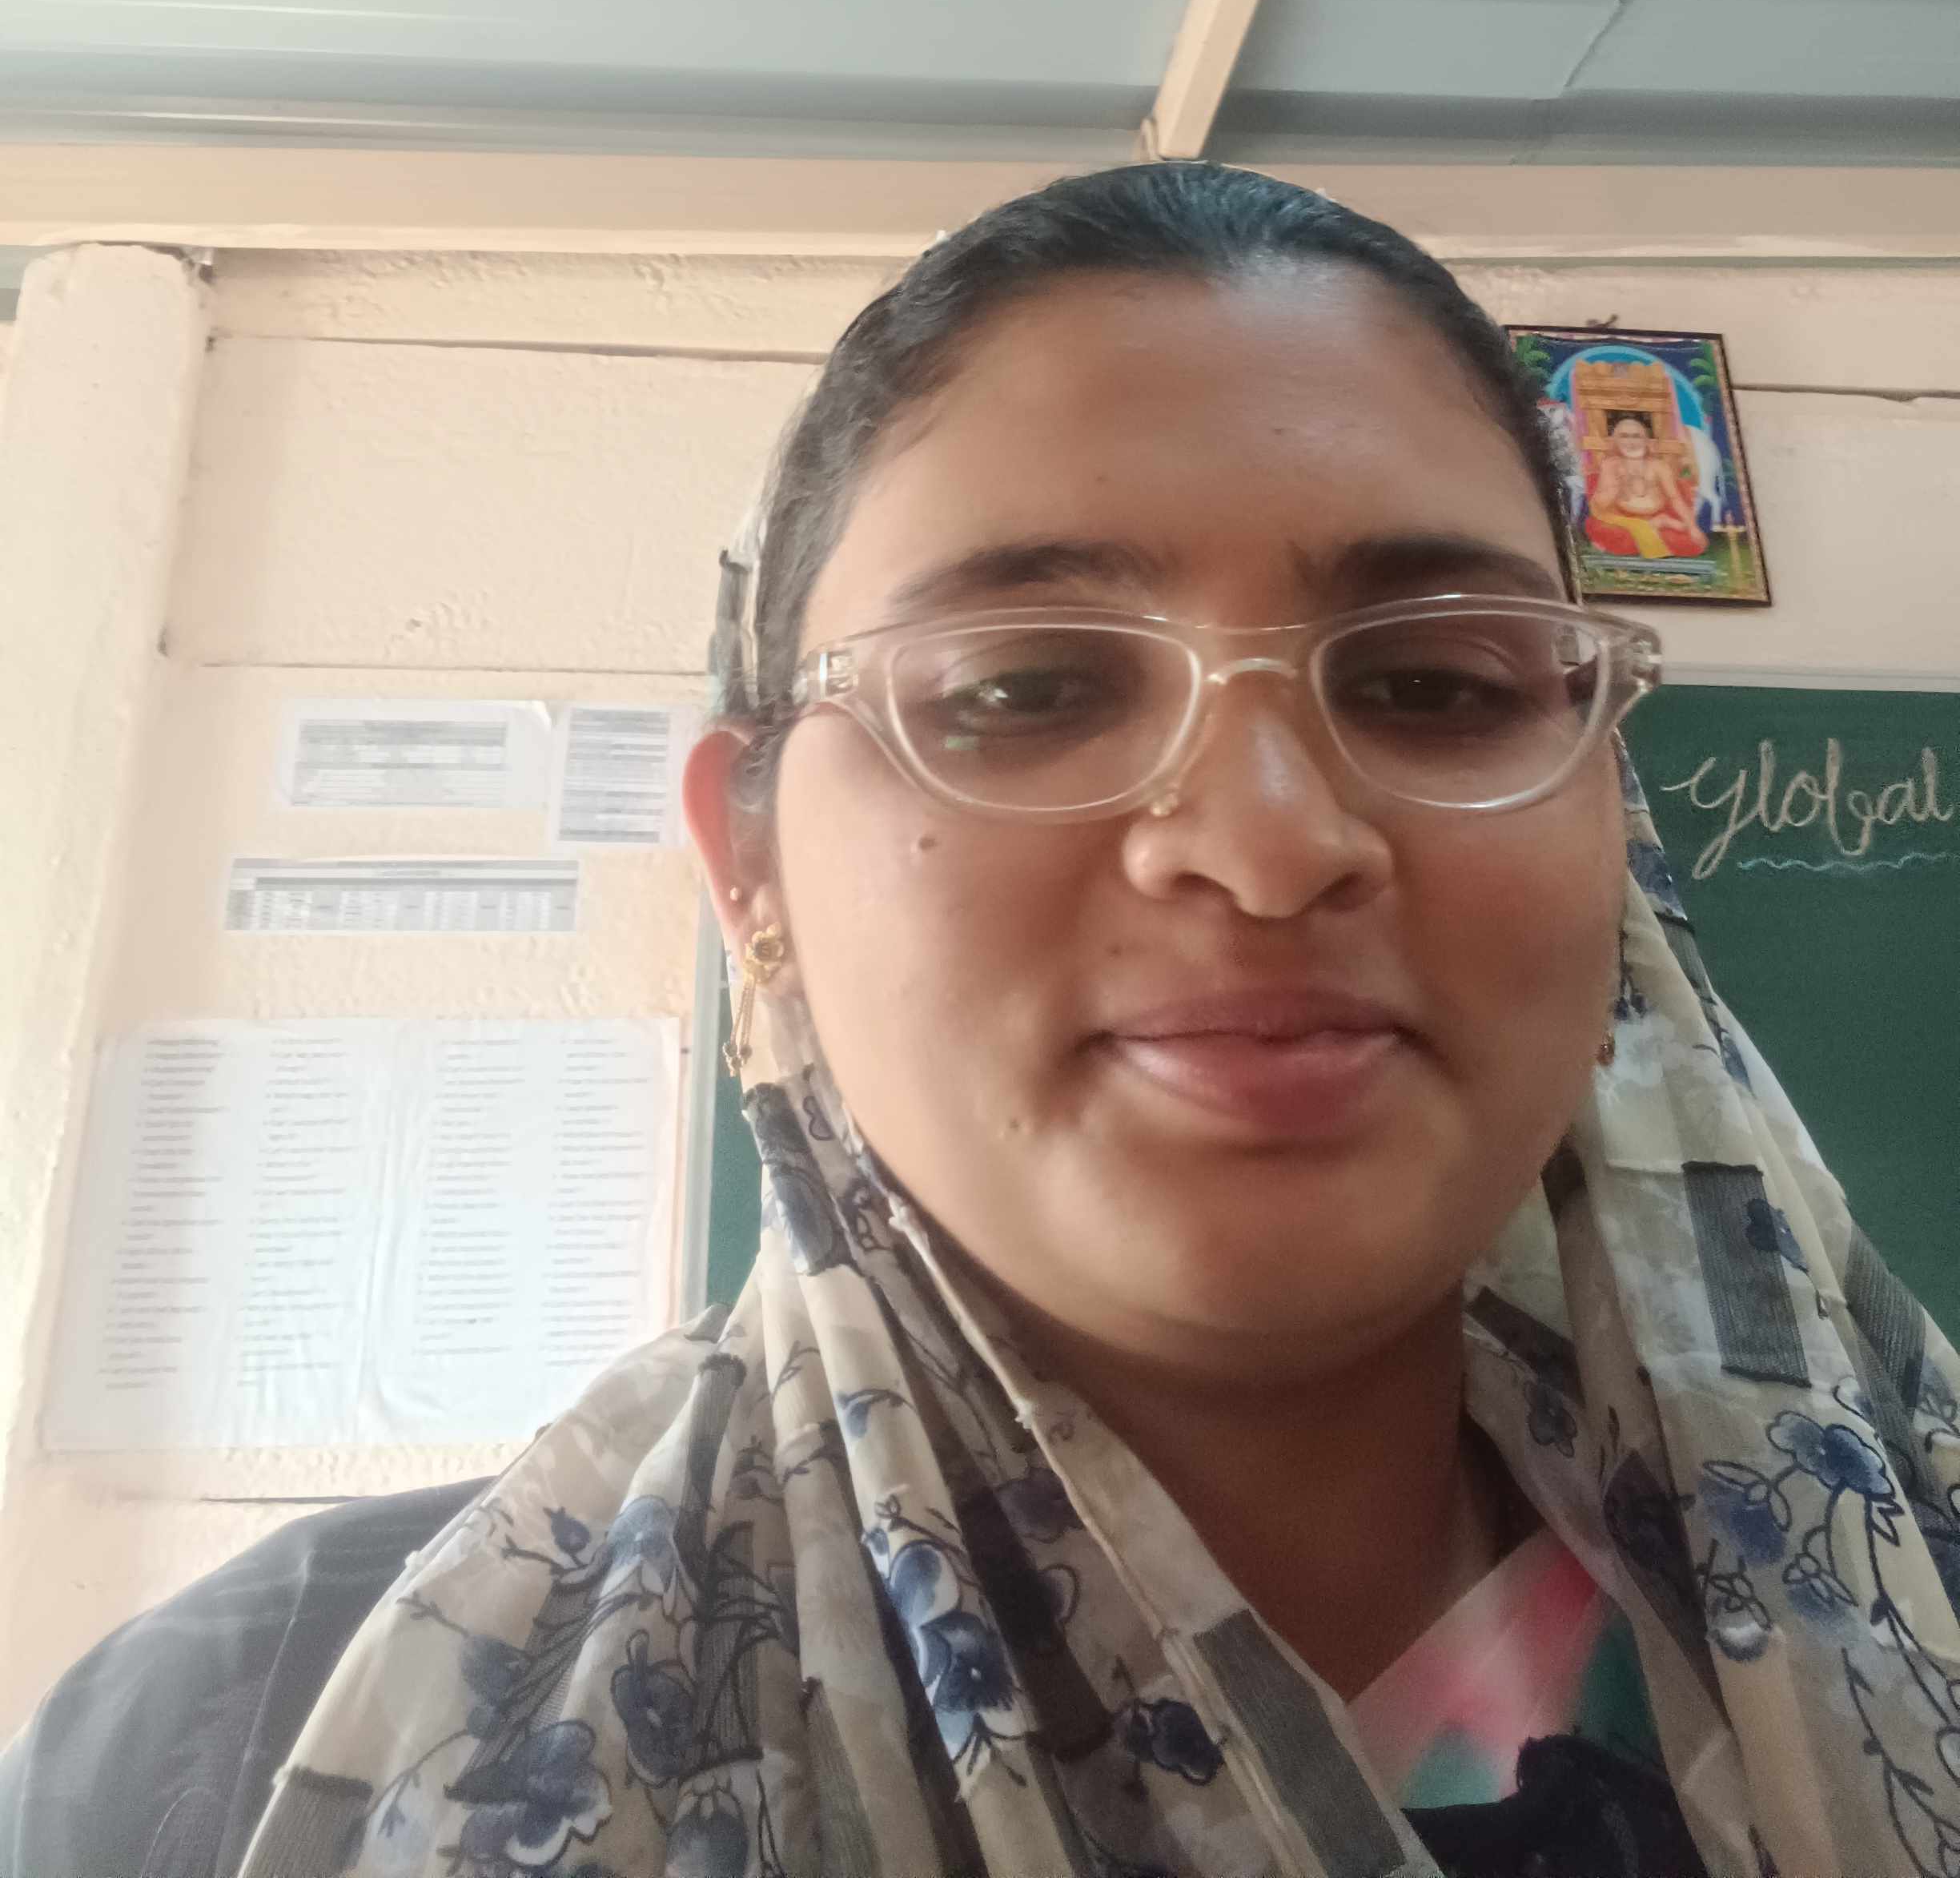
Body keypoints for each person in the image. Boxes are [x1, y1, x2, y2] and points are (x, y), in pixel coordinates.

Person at [5, 163, 1957, 1878]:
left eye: (1438, 683)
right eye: (1024, 689)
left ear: (1611, 816)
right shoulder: (250, 1742)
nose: (1268, 842)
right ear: (750, 865)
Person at [1584, 412, 1708, 561]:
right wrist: (1614, 487)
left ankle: (1659, 524)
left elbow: (1676, 499)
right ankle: (1656, 526)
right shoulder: (1610, 465)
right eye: (1624, 436)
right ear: (1616, 441)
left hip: (1654, 514)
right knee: (1611, 533)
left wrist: (1692, 527)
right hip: (1624, 520)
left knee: (1690, 542)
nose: (1631, 442)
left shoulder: (1659, 466)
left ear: (1646, 441)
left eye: (1636, 436)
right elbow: (1600, 504)